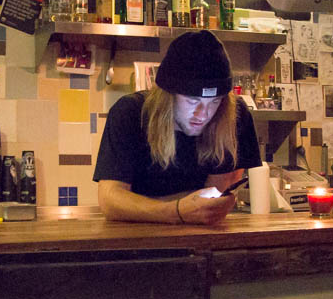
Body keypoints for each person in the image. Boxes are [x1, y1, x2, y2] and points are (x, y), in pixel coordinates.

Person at [93, 30, 261, 224]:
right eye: (192, 100)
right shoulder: (130, 113)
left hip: (203, 238)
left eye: (214, 102)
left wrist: (141, 206)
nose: (203, 114)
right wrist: (176, 211)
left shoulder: (233, 116)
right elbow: (110, 200)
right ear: (168, 95)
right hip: (135, 240)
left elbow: (210, 201)